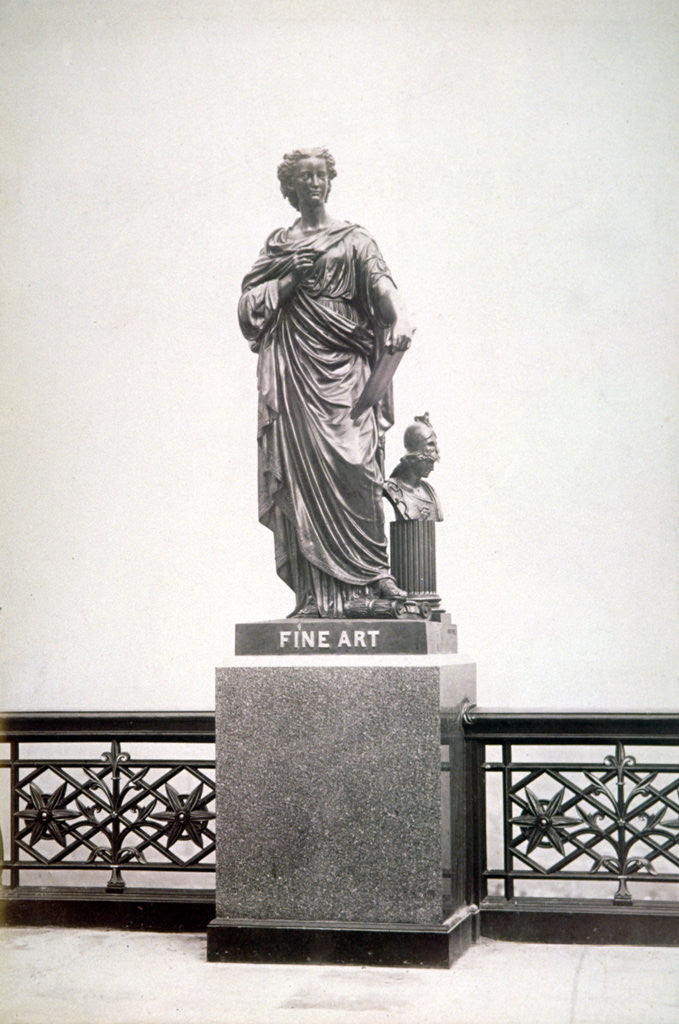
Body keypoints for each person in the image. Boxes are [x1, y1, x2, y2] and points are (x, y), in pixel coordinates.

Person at [238, 148, 414, 617]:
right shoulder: (279, 246)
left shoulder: (354, 239)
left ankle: (376, 577)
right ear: (290, 188)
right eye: (304, 177)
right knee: (302, 478)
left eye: (320, 175)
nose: (314, 183)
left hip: (348, 373)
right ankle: (316, 599)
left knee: (359, 468)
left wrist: (400, 317)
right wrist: (287, 282)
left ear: (330, 182)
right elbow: (248, 306)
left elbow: (381, 285)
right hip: (296, 373)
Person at [384, 413, 443, 522]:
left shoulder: (430, 492)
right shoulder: (391, 488)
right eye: (428, 462)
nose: (432, 468)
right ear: (414, 458)